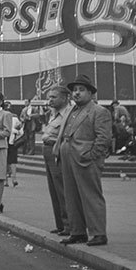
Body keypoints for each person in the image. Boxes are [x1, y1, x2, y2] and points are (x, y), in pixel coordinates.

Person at [55, 75, 113, 246]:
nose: (76, 93)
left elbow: (104, 138)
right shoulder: (72, 111)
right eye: (74, 90)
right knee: (71, 196)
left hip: (85, 159)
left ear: (90, 93)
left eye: (81, 90)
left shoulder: (98, 111)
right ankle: (78, 231)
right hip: (69, 157)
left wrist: (92, 155)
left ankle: (99, 233)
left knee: (91, 196)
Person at [40, 83, 73, 235]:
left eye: (54, 97)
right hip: (48, 152)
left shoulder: (69, 114)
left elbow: (67, 137)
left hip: (58, 152)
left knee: (62, 189)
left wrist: (51, 140)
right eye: (49, 97)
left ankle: (69, 225)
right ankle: (60, 223)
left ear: (65, 98)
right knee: (54, 190)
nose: (50, 100)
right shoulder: (54, 113)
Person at [3, 103, 23, 187]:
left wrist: (15, 132)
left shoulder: (14, 118)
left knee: (12, 161)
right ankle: (6, 180)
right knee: (5, 161)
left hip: (12, 142)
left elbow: (21, 132)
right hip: (4, 142)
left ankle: (12, 179)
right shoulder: (2, 118)